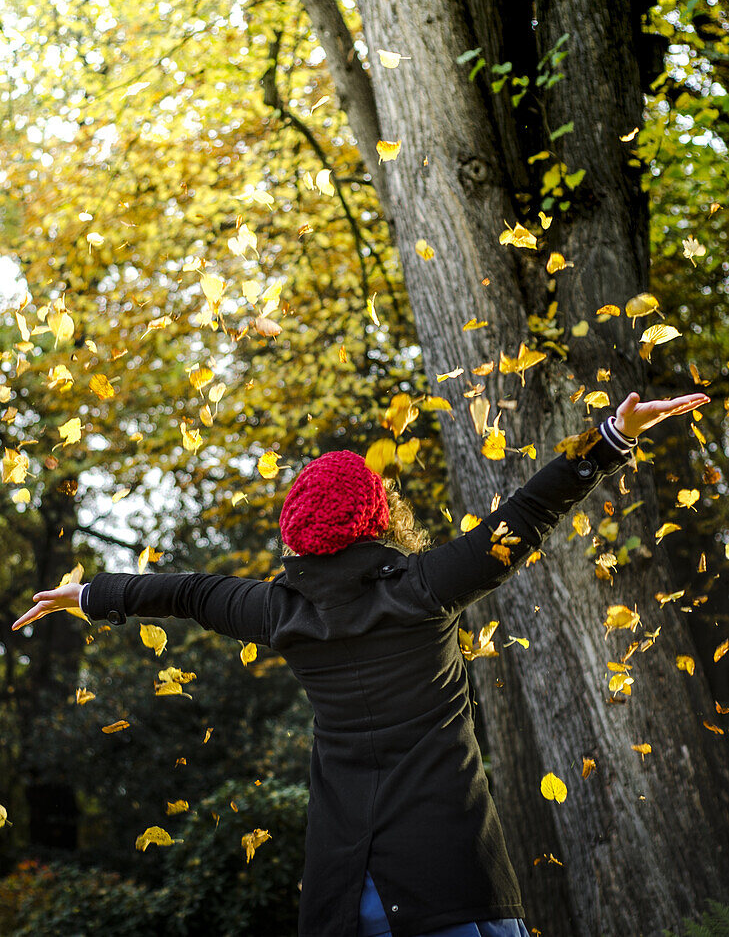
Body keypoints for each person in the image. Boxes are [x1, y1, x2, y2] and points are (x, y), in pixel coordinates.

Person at [13, 390, 710, 937]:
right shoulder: (424, 587)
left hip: (344, 898)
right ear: (378, 517)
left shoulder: (276, 612)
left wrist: (89, 595)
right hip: (450, 885)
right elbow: (525, 514)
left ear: (296, 533)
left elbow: (187, 592)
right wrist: (612, 437)